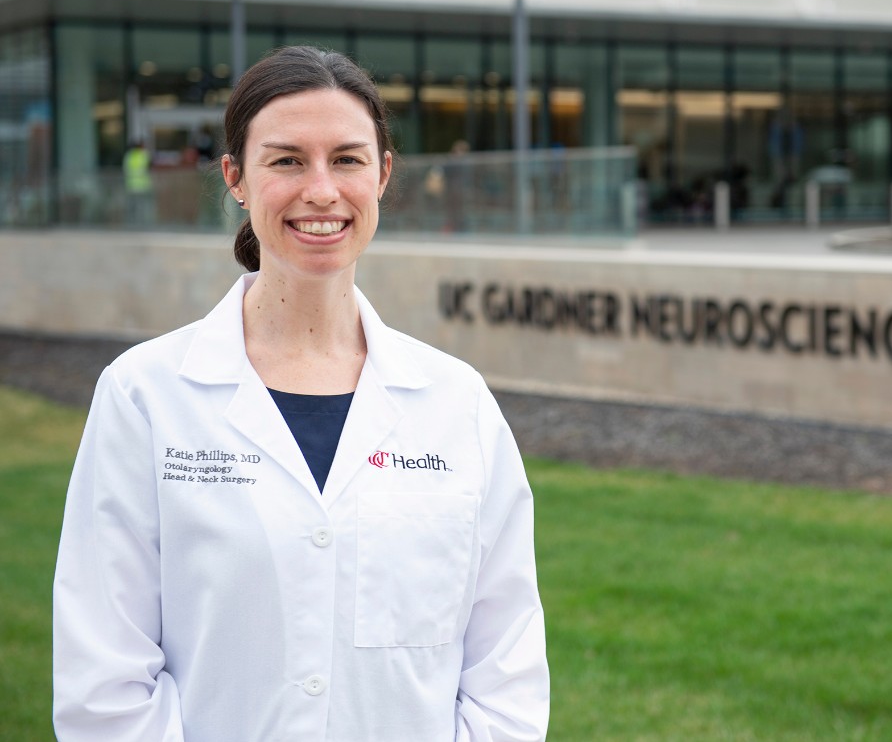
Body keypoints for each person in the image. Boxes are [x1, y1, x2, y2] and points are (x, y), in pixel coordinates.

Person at [52, 46, 550, 741]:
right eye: (287, 160)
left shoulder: (456, 405)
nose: (321, 190)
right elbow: (104, 684)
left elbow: (507, 670)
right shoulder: (145, 398)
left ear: (382, 174)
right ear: (235, 177)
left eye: (346, 159)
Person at [123, 139, 154, 226]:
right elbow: (150, 166)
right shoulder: (143, 155)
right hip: (143, 185)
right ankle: (143, 223)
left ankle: (132, 223)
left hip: (131, 185)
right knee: (143, 207)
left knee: (132, 207)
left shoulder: (128, 156)